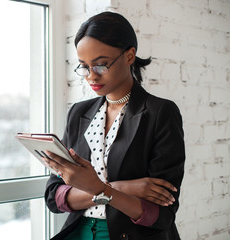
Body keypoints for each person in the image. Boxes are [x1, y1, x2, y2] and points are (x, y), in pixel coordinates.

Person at [44, 11, 185, 240]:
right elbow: (54, 197)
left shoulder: (161, 113)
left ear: (129, 56)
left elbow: (162, 215)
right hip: (78, 233)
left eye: (101, 65)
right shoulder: (79, 113)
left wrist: (98, 188)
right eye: (84, 66)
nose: (91, 76)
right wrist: (125, 188)